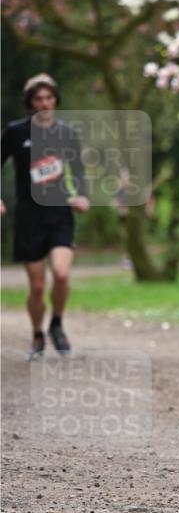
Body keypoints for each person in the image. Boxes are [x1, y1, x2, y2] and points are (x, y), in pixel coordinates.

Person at [1, 74, 89, 358]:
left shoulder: (66, 133)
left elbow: (78, 170)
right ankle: (37, 335)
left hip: (59, 212)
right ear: (30, 102)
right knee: (37, 286)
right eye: (38, 99)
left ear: (55, 101)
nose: (44, 103)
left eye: (49, 98)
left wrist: (83, 195)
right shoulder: (15, 132)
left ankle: (57, 324)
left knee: (61, 274)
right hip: (28, 216)